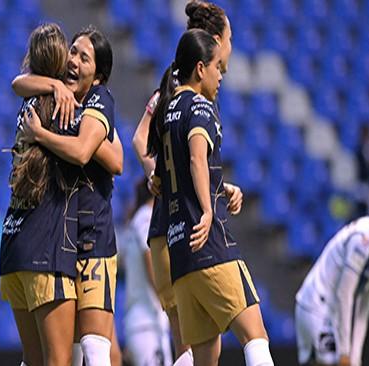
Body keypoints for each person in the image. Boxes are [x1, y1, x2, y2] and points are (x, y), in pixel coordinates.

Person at [148, 28, 274, 366]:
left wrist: (221, 188)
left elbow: (158, 180)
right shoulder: (199, 106)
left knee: (204, 359)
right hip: (209, 242)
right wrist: (207, 209)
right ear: (200, 68)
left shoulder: (166, 109)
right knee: (255, 334)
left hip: (180, 256)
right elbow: (196, 157)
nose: (221, 76)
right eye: (218, 67)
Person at [132, 2, 243, 363]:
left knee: (200, 347)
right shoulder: (181, 85)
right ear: (214, 42)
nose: (231, 46)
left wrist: (215, 185)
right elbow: (142, 138)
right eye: (229, 38)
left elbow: (174, 152)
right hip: (182, 226)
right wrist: (156, 174)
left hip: (170, 229)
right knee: (204, 343)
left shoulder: (190, 87)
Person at [15, 25, 122, 366]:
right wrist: (55, 84)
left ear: (99, 76)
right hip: (60, 238)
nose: (73, 60)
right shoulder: (60, 91)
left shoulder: (99, 101)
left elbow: (108, 157)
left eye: (83, 57)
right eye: (73, 51)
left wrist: (43, 135)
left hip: (92, 236)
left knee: (92, 347)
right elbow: (18, 83)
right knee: (64, 350)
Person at [0, 23, 80, 366]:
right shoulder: (62, 108)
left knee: (32, 359)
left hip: (13, 244)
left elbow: (18, 83)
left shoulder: (29, 105)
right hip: (45, 247)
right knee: (58, 360)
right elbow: (94, 154)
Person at [295, 196, 369, 366]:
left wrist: (356, 358)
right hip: (315, 307)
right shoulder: (362, 242)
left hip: (329, 315)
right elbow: (344, 295)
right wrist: (345, 353)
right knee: (330, 362)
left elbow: (362, 310)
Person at [122, 178, 172, 366]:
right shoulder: (146, 217)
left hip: (150, 323)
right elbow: (150, 257)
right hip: (146, 324)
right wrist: (167, 298)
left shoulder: (141, 217)